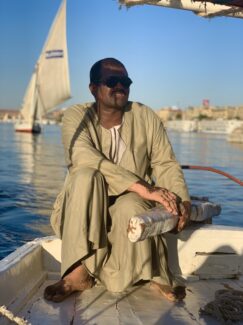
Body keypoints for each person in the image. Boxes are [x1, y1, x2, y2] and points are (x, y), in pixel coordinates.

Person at [44, 58, 191, 303]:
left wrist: (182, 200)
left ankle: (151, 272)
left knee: (130, 206)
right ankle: (78, 271)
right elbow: (82, 157)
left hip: (131, 202)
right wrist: (145, 188)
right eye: (112, 81)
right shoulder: (75, 116)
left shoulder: (144, 115)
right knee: (84, 175)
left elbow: (165, 163)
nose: (119, 86)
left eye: (125, 81)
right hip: (85, 205)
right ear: (93, 88)